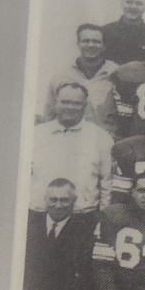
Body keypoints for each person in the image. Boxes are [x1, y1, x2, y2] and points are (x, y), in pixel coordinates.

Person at [23, 180, 100, 290]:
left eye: (64, 200)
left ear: (74, 201)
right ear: (45, 200)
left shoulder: (85, 232)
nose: (58, 205)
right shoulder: (29, 225)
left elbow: (83, 278)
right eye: (53, 200)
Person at [28, 82, 114, 212]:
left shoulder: (101, 138)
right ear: (55, 103)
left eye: (76, 103)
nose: (69, 107)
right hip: (38, 212)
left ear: (85, 106)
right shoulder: (36, 134)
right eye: (65, 102)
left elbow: (107, 184)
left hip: (82, 215)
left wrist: (103, 217)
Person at [47, 23, 120, 133]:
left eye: (96, 42)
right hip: (70, 137)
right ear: (78, 44)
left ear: (104, 46)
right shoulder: (61, 76)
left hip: (105, 138)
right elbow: (49, 114)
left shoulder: (117, 74)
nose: (91, 45)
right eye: (85, 41)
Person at [100, 0, 145, 65]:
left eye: (139, 3)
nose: (133, 7)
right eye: (129, 2)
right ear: (121, 4)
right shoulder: (105, 32)